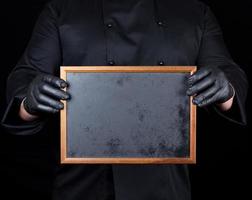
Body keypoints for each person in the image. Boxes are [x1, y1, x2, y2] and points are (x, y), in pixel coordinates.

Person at [1, 0, 248, 199]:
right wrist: (28, 100)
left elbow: (227, 71)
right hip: (82, 186)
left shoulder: (194, 11)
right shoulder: (62, 8)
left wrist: (225, 89)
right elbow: (26, 75)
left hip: (166, 187)